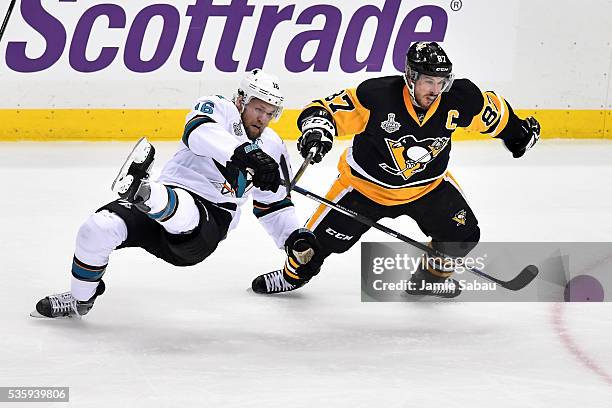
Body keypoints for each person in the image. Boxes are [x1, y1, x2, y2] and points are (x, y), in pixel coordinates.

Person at [251, 42, 541, 298]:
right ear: (411, 76)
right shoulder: (377, 96)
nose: (436, 90)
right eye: (429, 81)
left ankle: (429, 280)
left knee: (463, 237)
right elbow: (324, 109)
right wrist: (318, 130)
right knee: (308, 248)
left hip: (428, 188)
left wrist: (519, 134)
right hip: (364, 188)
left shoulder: (460, 99)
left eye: (441, 81)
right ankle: (291, 277)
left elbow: (496, 113)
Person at [32, 69, 320, 318]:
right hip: (169, 194)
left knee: (184, 212)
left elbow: (274, 204)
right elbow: (197, 132)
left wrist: (293, 239)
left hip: (206, 225)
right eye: (259, 109)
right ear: (241, 99)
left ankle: (144, 192)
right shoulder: (217, 108)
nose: (263, 119)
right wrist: (243, 153)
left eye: (270, 113)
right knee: (96, 229)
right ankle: (80, 299)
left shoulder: (271, 147)